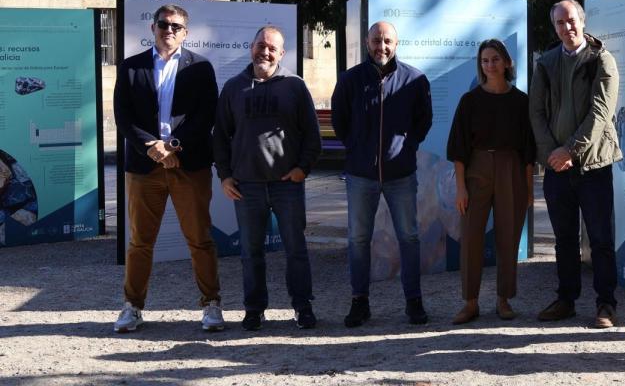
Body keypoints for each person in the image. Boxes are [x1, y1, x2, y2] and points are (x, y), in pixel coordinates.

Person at [112, 4, 223, 333]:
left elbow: (206, 116)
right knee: (140, 242)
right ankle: (132, 306)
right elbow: (123, 117)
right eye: (163, 24)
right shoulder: (131, 68)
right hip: (145, 167)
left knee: (200, 239)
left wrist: (172, 146)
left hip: (188, 165)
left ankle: (212, 305)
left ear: (186, 33)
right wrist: (154, 148)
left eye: (176, 26)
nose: (169, 30)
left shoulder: (200, 68)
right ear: (153, 28)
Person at [213, 26, 322, 331]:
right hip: (247, 186)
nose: (266, 52)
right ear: (251, 47)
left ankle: (302, 306)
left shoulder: (294, 86)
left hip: (287, 185)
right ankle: (254, 309)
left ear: (282, 53)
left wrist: (302, 168)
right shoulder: (234, 88)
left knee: (296, 250)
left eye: (273, 48)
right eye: (261, 45)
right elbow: (220, 136)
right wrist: (225, 176)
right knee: (251, 252)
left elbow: (312, 136)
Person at [331, 21, 433, 327]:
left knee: (409, 237)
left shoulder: (415, 79)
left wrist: (407, 147)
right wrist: (356, 149)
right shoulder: (350, 80)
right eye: (377, 40)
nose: (382, 46)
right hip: (361, 175)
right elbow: (340, 120)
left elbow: (423, 121)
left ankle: (414, 301)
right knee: (358, 239)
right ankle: (359, 302)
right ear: (367, 42)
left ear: (396, 43)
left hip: (400, 174)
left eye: (387, 40)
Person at [529, 0, 622, 329]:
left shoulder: (601, 60)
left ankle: (606, 303)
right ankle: (566, 299)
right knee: (563, 238)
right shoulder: (546, 62)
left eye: (571, 21)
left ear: (582, 22)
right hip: (557, 168)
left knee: (600, 238)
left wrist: (570, 150)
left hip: (593, 165)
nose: (566, 27)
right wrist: (552, 155)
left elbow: (601, 113)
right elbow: (536, 112)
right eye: (559, 23)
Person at [447, 39, 535, 324]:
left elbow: (528, 151)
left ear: (507, 62)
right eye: (485, 60)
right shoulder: (470, 101)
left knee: (508, 236)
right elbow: (458, 148)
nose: (490, 65)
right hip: (477, 169)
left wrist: (529, 188)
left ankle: (503, 299)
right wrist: (461, 187)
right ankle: (470, 302)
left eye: (495, 59)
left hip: (512, 168)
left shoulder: (521, 101)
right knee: (471, 236)